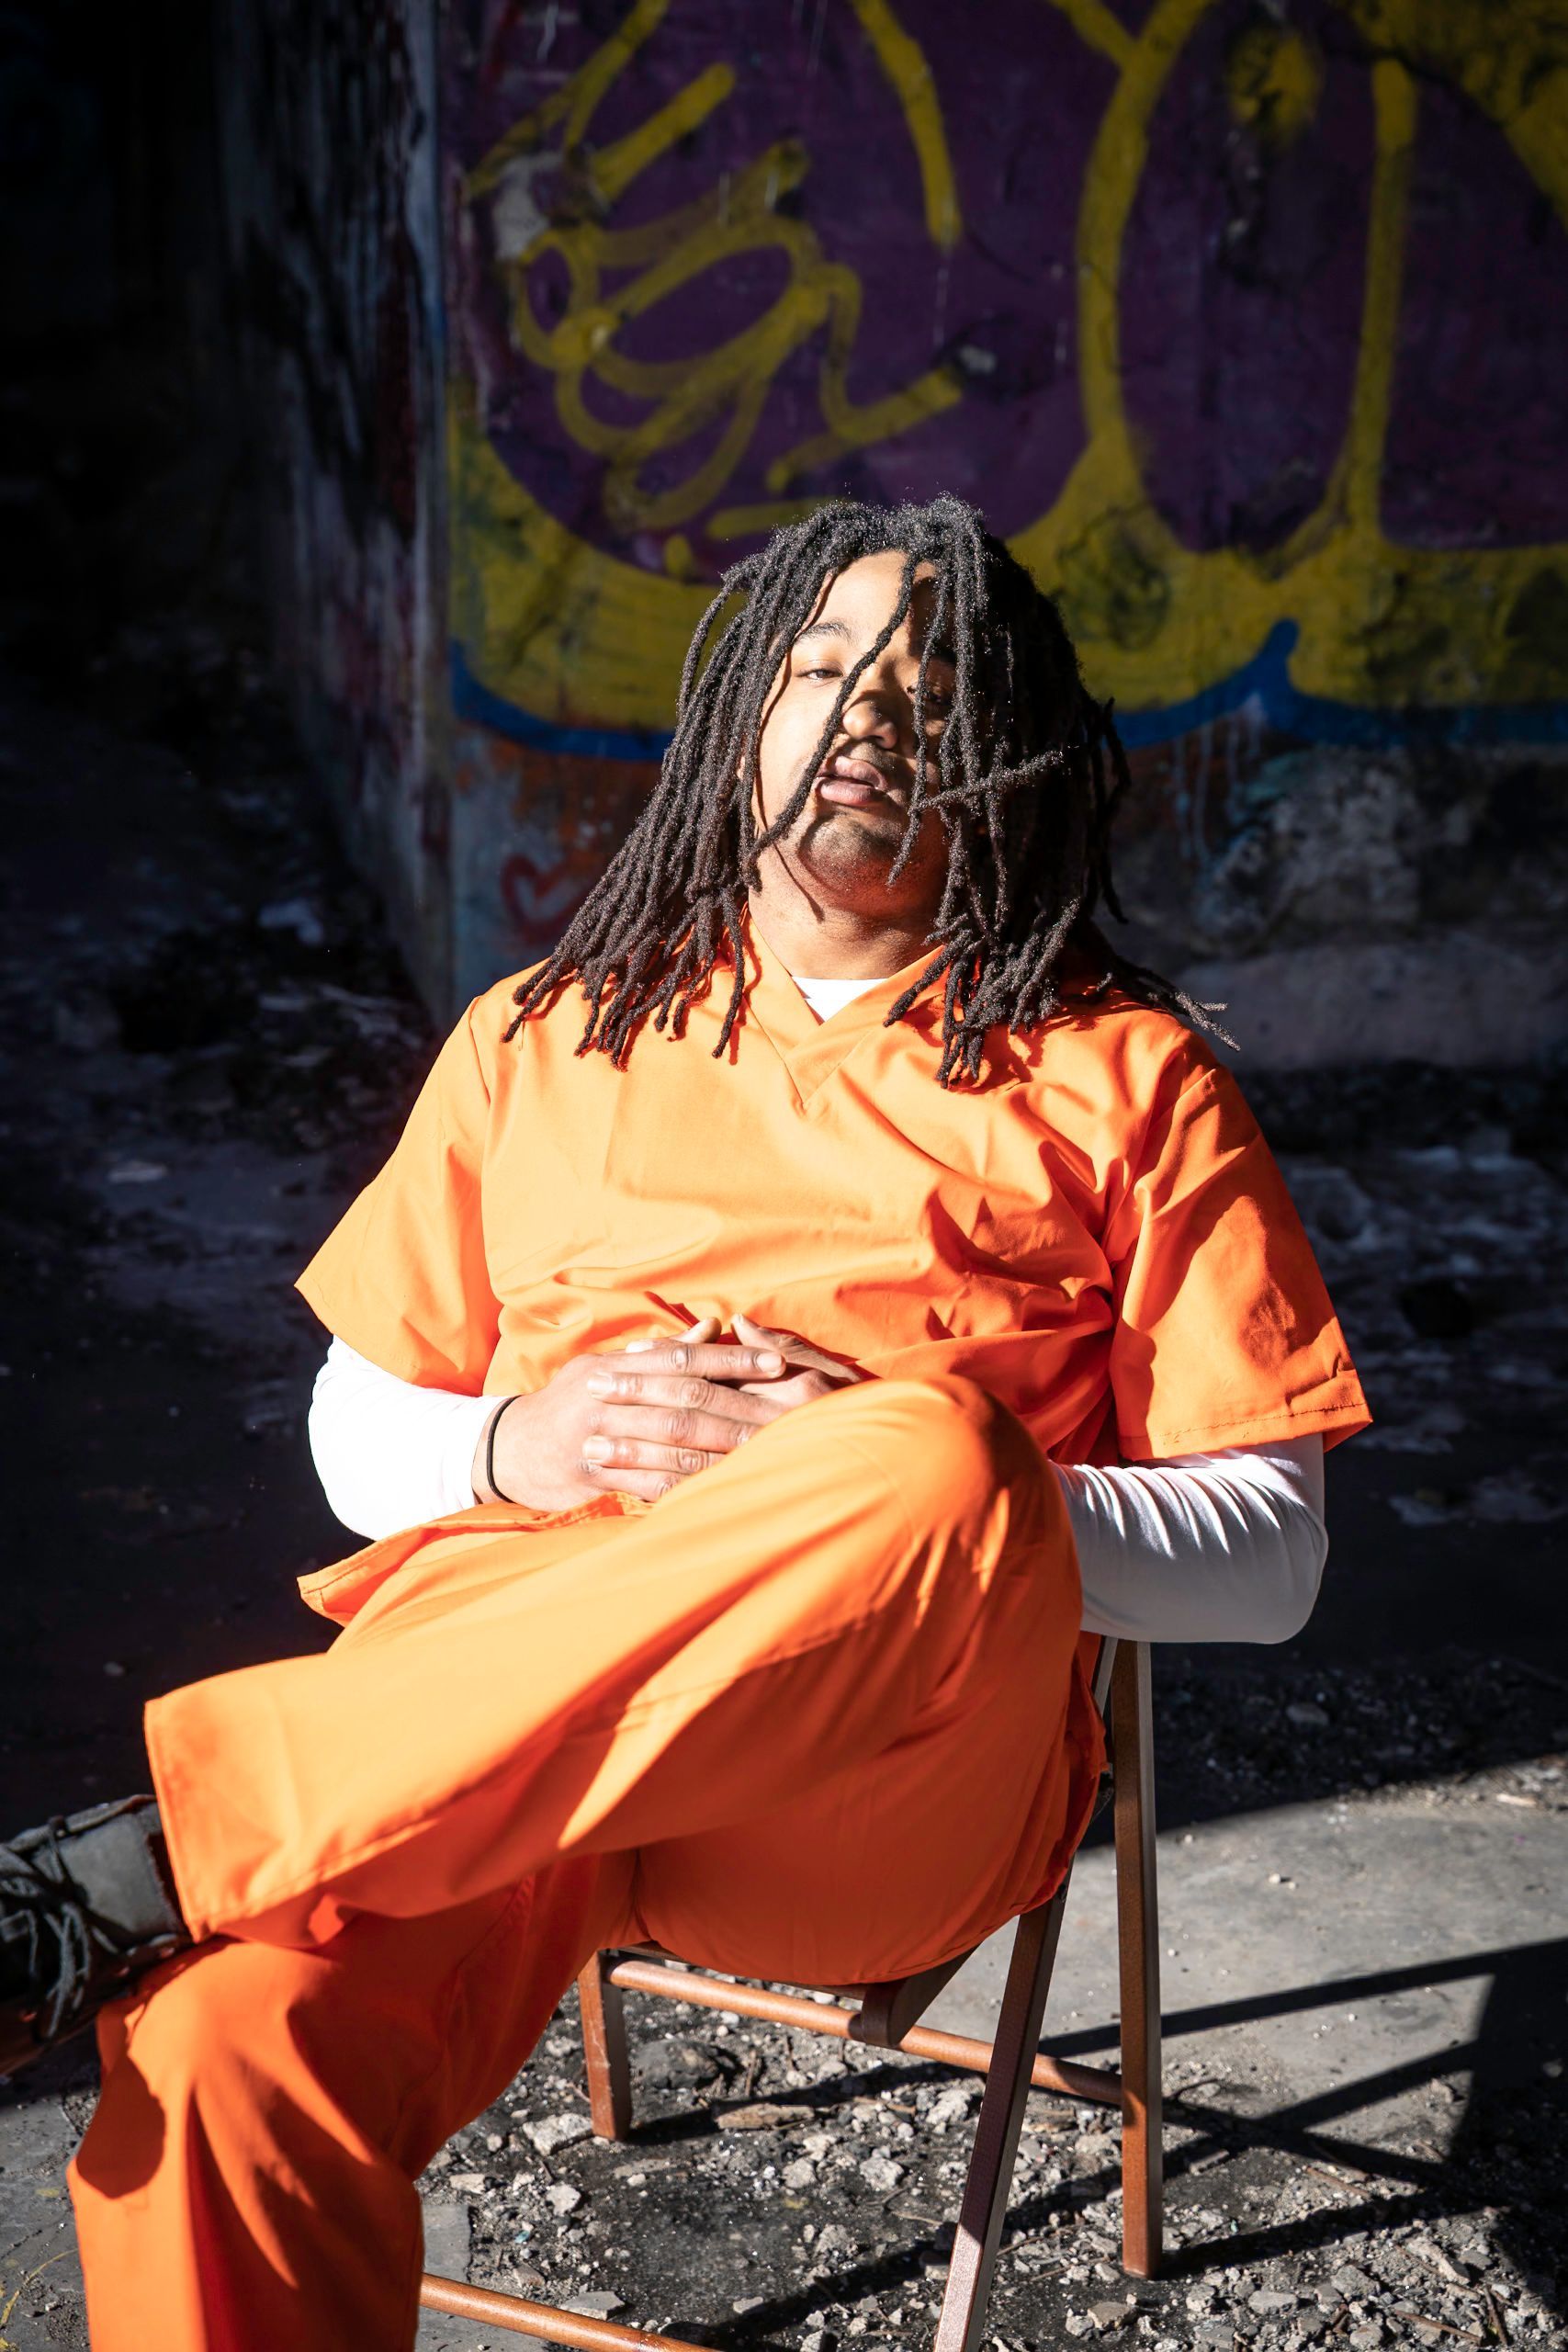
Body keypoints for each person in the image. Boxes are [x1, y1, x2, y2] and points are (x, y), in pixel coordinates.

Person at [1, 497, 1367, 2349]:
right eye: (818, 668)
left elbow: (1269, 1551)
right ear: (736, 725)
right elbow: (355, 1411)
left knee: (927, 1459)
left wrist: (922, 1498)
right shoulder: (543, 1031)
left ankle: (164, 1851)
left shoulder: (1119, 1075)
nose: (869, 715)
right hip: (500, 1765)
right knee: (221, 2042)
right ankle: (191, 1882)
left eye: (933, 690)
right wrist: (515, 1447)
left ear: (1014, 767)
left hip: (862, 1789)